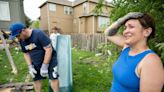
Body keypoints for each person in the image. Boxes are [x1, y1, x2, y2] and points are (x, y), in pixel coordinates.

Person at [104, 12, 164, 92]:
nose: (125, 32)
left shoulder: (151, 61)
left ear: (147, 32)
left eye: (131, 27)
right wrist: (121, 20)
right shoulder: (127, 48)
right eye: (125, 28)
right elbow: (108, 34)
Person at [9, 22, 59, 92]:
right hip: (36, 61)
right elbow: (26, 53)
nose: (17, 39)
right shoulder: (22, 40)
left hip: (49, 59)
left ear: (23, 30)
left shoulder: (38, 34)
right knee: (36, 79)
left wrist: (45, 66)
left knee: (53, 77)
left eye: (17, 36)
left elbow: (49, 49)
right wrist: (30, 66)